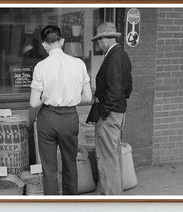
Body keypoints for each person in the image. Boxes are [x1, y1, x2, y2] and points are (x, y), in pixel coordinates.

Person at [30, 25, 92, 195]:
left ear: (44, 45)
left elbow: (34, 102)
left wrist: (48, 96)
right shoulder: (78, 64)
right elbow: (87, 97)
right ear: (62, 41)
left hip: (47, 118)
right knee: (70, 163)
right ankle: (70, 203)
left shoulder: (40, 67)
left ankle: (52, 207)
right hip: (69, 117)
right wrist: (70, 95)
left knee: (49, 168)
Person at [91, 22, 133, 195]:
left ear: (105, 40)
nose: (98, 45)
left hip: (109, 114)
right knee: (113, 157)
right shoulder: (122, 54)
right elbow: (128, 87)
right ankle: (111, 193)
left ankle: (112, 198)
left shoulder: (113, 57)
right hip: (118, 112)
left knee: (107, 158)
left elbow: (115, 90)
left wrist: (104, 111)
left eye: (99, 41)